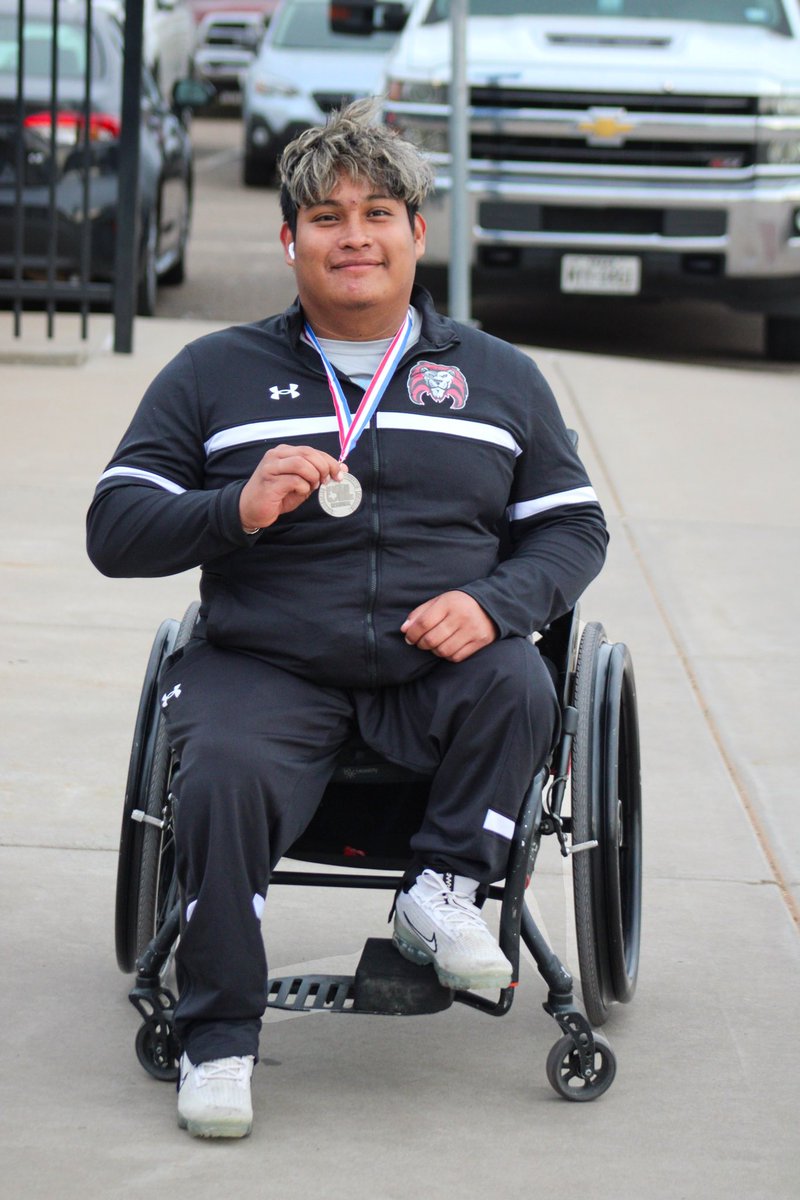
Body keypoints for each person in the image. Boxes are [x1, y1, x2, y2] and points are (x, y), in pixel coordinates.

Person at [87, 99, 608, 1139]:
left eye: (378, 212)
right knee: (224, 771)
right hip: (265, 664)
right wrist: (231, 507)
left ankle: (442, 891)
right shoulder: (213, 374)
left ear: (419, 232)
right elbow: (117, 525)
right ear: (289, 242)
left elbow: (571, 531)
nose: (354, 236)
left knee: (520, 680)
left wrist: (494, 602)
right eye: (325, 218)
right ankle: (220, 1042)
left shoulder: (496, 377)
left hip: (437, 669)